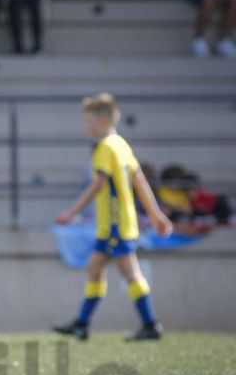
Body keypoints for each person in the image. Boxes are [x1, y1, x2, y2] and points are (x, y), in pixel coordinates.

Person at [53, 93, 173, 341]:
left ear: (102, 120)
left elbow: (98, 184)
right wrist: (156, 215)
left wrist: (71, 213)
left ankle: (151, 323)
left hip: (115, 223)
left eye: (89, 121)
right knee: (94, 268)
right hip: (114, 224)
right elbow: (140, 182)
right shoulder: (122, 144)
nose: (86, 126)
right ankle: (81, 324)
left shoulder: (104, 147)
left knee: (130, 272)